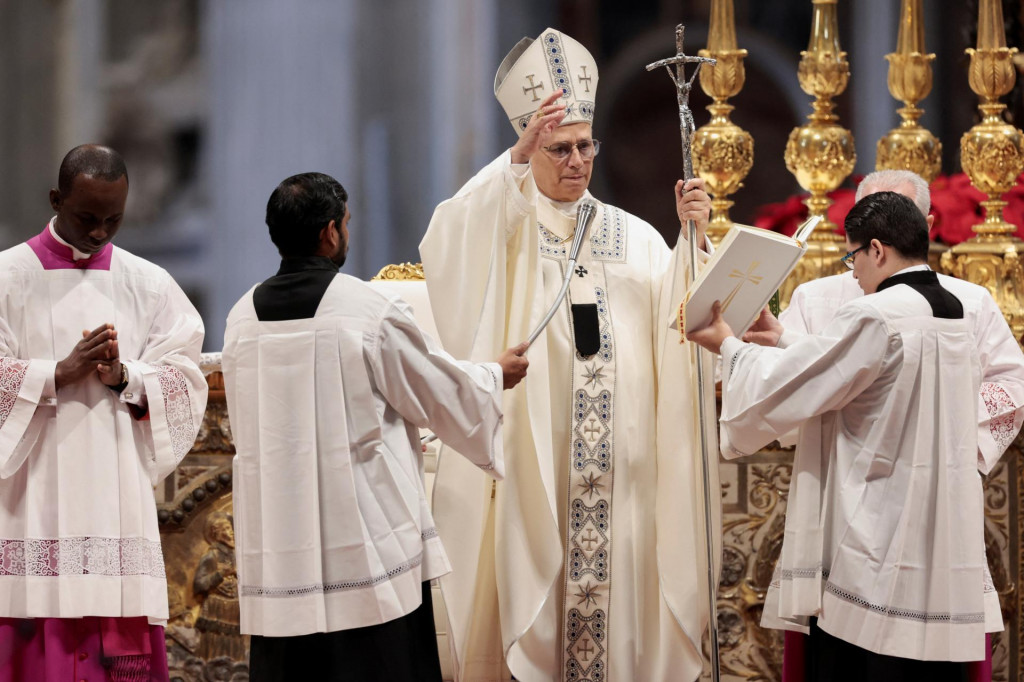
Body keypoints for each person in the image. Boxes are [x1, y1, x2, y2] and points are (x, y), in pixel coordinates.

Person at [420, 27, 717, 682]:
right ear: (532, 147)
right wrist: (514, 165)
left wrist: (694, 239)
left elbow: (682, 322)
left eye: (584, 146)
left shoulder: (635, 236)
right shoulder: (507, 221)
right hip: (540, 475)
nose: (576, 159)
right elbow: (447, 244)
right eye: (558, 148)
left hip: (626, 479)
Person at [688, 191, 1019, 681]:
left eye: (854, 257)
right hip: (935, 516)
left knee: (870, 661)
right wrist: (782, 339)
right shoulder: (950, 309)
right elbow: (861, 373)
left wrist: (730, 347)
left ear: (878, 250)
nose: (854, 272)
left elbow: (807, 384)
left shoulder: (879, 312)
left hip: (878, 518)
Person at [221, 172, 529, 682]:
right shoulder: (365, 309)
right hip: (364, 545)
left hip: (281, 544)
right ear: (329, 233)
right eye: (345, 222)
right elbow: (437, 390)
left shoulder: (240, 318)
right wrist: (495, 375)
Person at [0, 144, 208, 680]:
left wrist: (126, 377)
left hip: (116, 499)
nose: (99, 233)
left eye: (113, 220)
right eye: (86, 217)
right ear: (55, 198)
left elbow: (184, 376)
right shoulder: (7, 277)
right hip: (32, 498)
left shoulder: (149, 283)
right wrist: (55, 374)